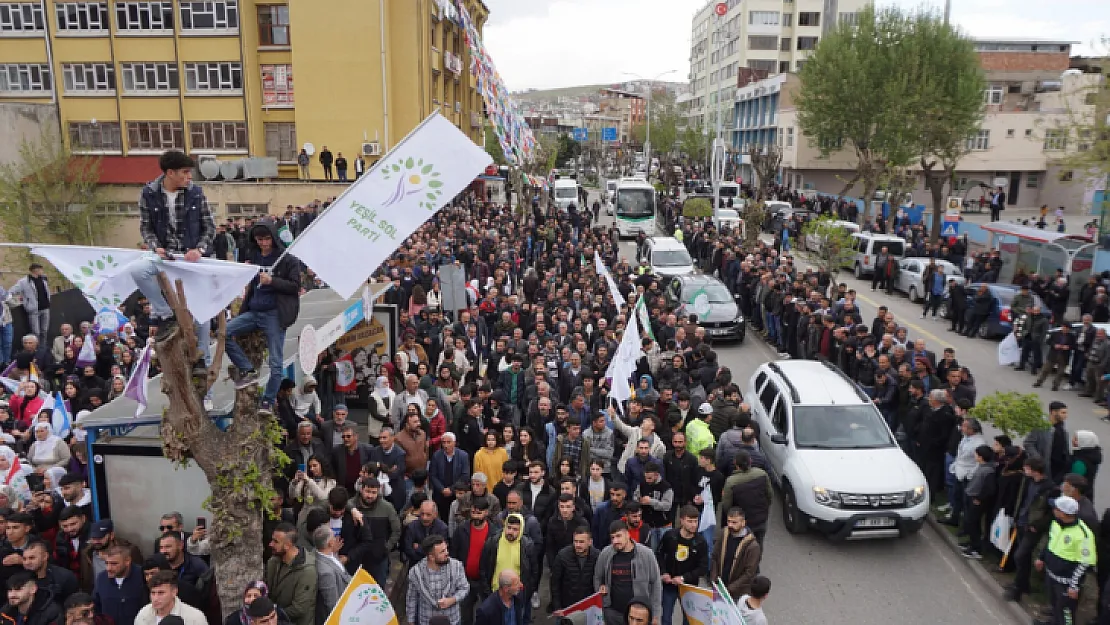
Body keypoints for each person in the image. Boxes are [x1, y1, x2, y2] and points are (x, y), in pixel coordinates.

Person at [131, 150, 216, 354]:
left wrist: (199, 249)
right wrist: (155, 247)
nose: (189, 177)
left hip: (191, 259)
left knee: (201, 317)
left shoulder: (195, 193)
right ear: (170, 173)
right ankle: (164, 312)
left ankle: (202, 363)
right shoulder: (149, 193)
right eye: (185, 172)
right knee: (137, 270)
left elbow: (209, 227)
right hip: (165, 257)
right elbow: (146, 227)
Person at [225, 217, 302, 413]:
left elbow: (295, 287)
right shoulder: (254, 256)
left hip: (274, 315)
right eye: (259, 239)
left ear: (273, 238)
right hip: (253, 311)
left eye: (267, 239)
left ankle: (267, 401)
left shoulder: (287, 260)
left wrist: (272, 281)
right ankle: (247, 369)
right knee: (223, 333)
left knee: (276, 363)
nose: (263, 243)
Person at [1034, 495, 1096, 625]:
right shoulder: (1056, 523)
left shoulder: (1083, 535)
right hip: (1051, 575)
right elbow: (1051, 542)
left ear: (1064, 513)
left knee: (1066, 614)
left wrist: (1073, 586)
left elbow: (1084, 563)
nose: (1053, 510)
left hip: (1066, 583)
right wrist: (1041, 558)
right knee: (1055, 606)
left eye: (1056, 508)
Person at [594, 521, 661, 625]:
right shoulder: (606, 553)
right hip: (612, 613)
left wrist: (656, 614)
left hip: (639, 615)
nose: (615, 541)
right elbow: (598, 577)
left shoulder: (647, 554)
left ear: (628, 534)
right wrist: (601, 590)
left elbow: (656, 584)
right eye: (612, 538)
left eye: (618, 536)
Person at [657, 506, 709, 625]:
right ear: (681, 521)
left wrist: (683, 578)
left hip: (689, 586)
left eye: (696, 521)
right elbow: (659, 554)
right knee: (665, 618)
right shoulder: (670, 536)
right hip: (669, 584)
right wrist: (664, 572)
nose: (694, 525)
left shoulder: (701, 542)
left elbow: (703, 568)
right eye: (690, 521)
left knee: (688, 619)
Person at [405, 535, 469, 625]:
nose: (447, 553)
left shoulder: (456, 566)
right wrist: (410, 621)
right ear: (431, 557)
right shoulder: (416, 572)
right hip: (427, 621)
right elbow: (411, 598)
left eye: (446, 549)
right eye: (442, 552)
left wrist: (452, 600)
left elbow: (465, 588)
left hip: (452, 620)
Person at [264, 523, 317, 625]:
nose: (270, 544)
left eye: (276, 542)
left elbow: (299, 608)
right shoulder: (273, 562)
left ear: (287, 545)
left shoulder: (307, 571)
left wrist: (270, 615)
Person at [718, 450, 773, 546]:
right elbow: (770, 495)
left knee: (740, 547)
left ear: (735, 463)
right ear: (750, 461)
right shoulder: (762, 474)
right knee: (758, 545)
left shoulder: (731, 482)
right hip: (761, 519)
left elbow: (727, 506)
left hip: (741, 523)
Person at [710, 507, 761, 599]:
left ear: (743, 523)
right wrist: (714, 578)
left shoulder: (753, 546)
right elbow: (715, 556)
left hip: (737, 593)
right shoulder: (723, 534)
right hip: (719, 586)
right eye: (729, 521)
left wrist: (730, 588)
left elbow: (749, 573)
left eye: (734, 522)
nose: (730, 525)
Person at [92, 545, 147, 625]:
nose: (108, 568)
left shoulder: (142, 576)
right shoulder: (101, 579)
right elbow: (96, 606)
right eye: (106, 563)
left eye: (114, 564)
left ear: (127, 561)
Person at [550, 525, 598, 613]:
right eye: (575, 541)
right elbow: (555, 583)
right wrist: (557, 606)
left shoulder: (597, 556)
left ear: (590, 542)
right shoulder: (563, 556)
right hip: (567, 607)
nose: (578, 545)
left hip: (589, 607)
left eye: (581, 542)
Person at [133, 570, 206, 625]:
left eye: (161, 593)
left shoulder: (195, 618)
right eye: (153, 593)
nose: (155, 598)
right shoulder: (144, 614)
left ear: (174, 592)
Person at [310, 526, 350, 625]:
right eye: (333, 537)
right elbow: (332, 603)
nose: (336, 539)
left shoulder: (329, 553)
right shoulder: (325, 572)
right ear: (330, 543)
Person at [21, 540, 78, 604]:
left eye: (32, 558)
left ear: (45, 556)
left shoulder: (65, 577)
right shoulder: (20, 578)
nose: (27, 562)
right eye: (24, 559)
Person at [9, 265, 50, 344]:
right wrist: (21, 302)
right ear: (35, 270)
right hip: (33, 310)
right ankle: (36, 349)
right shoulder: (24, 282)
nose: (42, 271)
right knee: (36, 332)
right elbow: (12, 291)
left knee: (44, 330)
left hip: (45, 308)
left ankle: (43, 348)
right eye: (41, 270)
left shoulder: (43, 279)